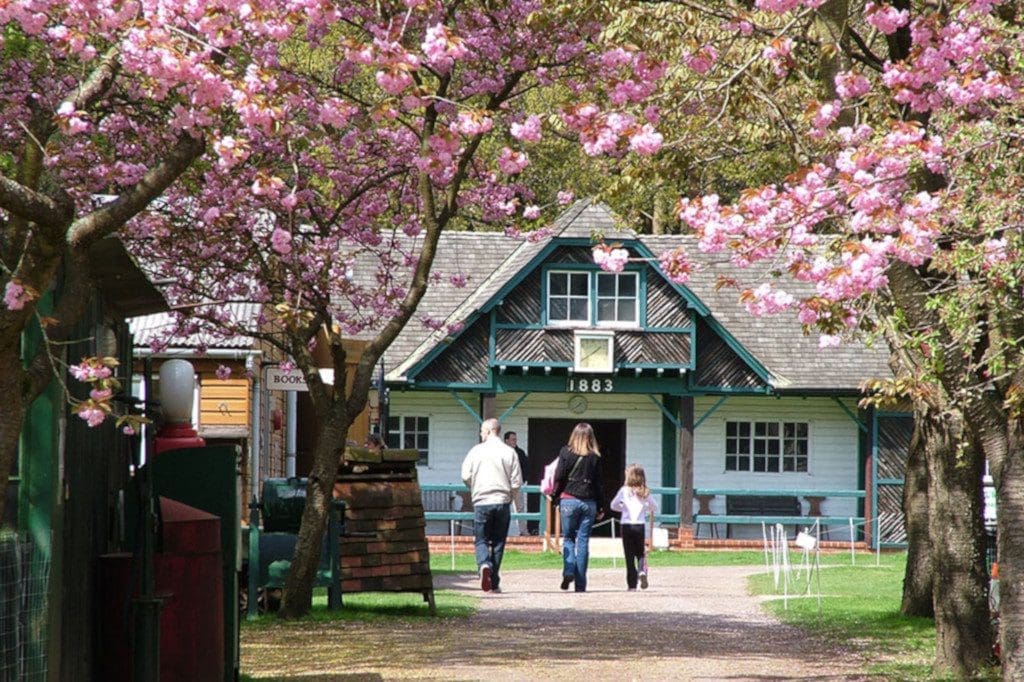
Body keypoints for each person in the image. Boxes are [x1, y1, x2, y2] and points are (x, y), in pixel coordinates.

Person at [461, 417, 522, 593]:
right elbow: (516, 481)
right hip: (502, 501)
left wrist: (474, 487)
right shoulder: (510, 452)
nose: (481, 434)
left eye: (482, 431)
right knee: (498, 542)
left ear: (488, 431)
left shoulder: (476, 451)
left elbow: (465, 475)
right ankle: (494, 581)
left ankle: (483, 565)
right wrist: (510, 496)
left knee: (481, 539)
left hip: (482, 501)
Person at [550, 422, 604, 592]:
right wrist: (601, 507)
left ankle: (568, 570)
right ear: (591, 437)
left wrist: (554, 497)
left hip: (568, 499)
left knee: (568, 538)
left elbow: (559, 476)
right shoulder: (595, 456)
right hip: (589, 502)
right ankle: (580, 585)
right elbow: (599, 484)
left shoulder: (565, 452)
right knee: (583, 541)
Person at [610, 463, 658, 590]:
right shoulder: (644, 492)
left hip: (626, 526)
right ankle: (642, 570)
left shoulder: (624, 491)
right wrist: (645, 506)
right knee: (640, 553)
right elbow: (654, 507)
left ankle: (632, 585)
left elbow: (613, 505)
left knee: (629, 555)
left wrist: (622, 507)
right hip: (639, 526)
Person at [504, 431, 531, 535]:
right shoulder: (501, 452)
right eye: (513, 439)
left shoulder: (520, 453)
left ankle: (523, 531)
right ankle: (500, 532)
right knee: (502, 508)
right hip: (503, 486)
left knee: (520, 508)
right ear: (506, 440)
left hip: (517, 485)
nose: (515, 441)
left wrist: (522, 480)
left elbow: (526, 467)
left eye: (516, 439)